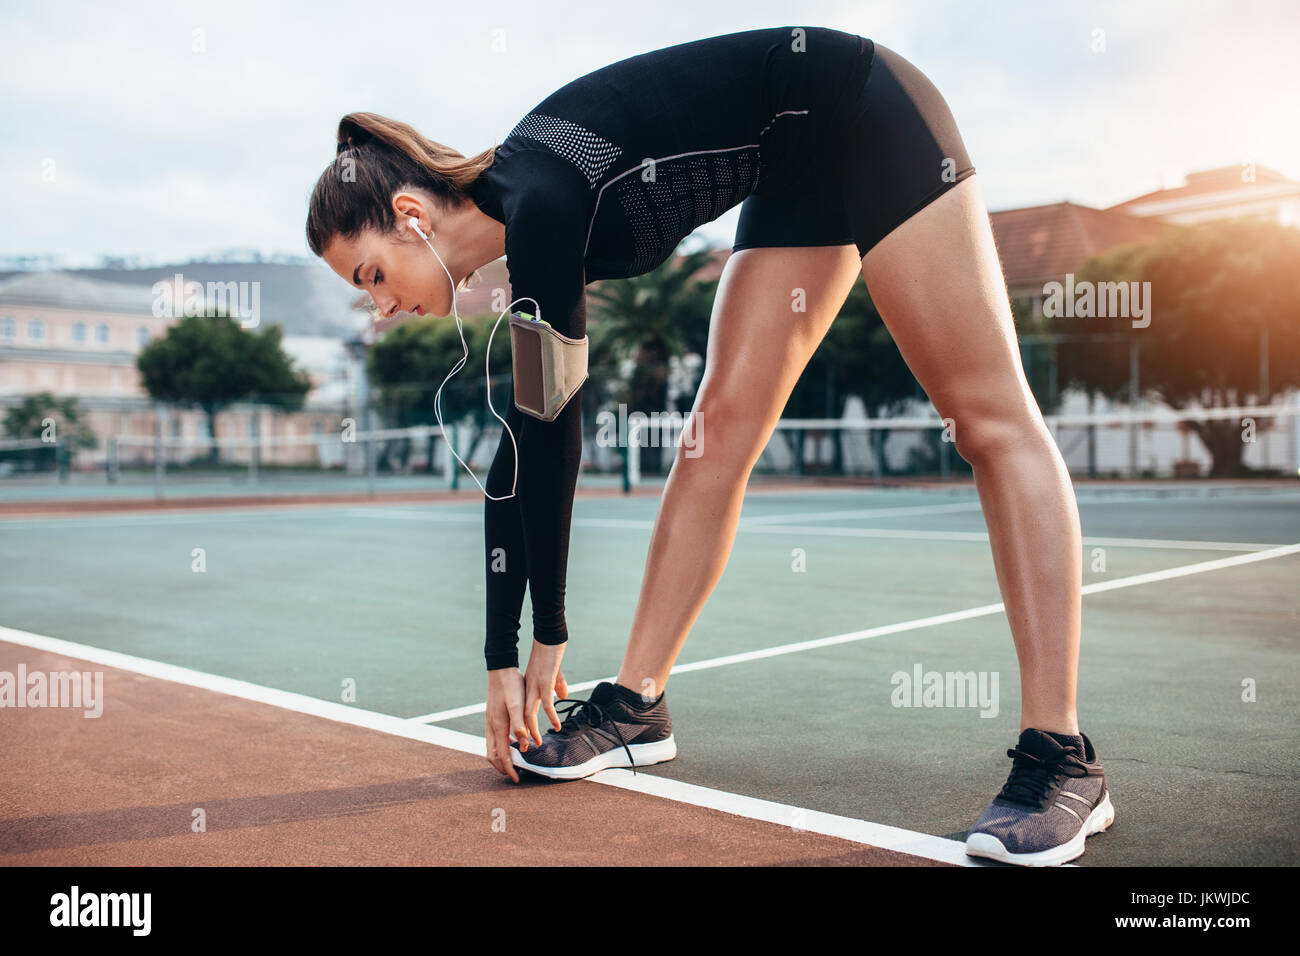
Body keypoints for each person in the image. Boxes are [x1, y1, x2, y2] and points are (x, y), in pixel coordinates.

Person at [305, 25, 1114, 866]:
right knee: (715, 431)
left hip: (865, 111)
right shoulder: (525, 212)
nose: (381, 308)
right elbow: (526, 434)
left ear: (407, 215)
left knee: (986, 417)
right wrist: (499, 657)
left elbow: (554, 434)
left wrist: (547, 637)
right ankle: (636, 705)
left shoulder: (538, 197)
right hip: (796, 162)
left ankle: (1063, 757)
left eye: (369, 277)